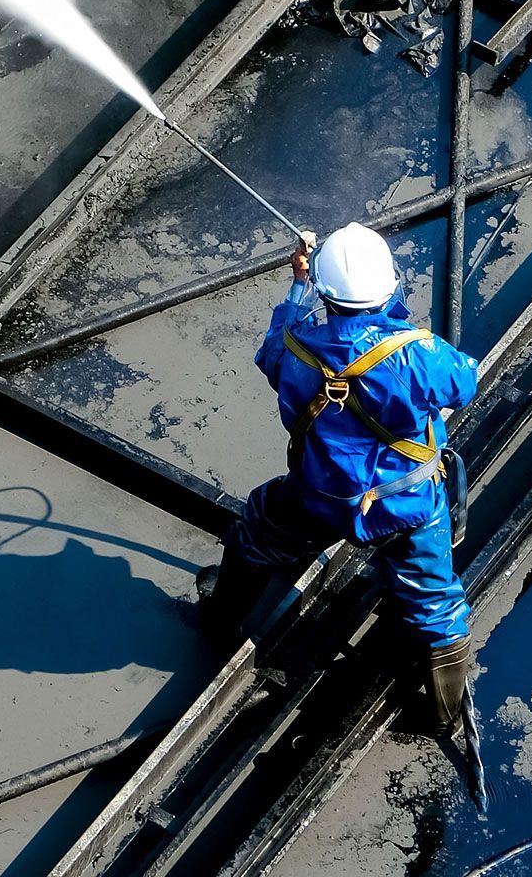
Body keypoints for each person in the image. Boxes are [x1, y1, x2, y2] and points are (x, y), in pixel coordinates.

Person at [198, 221, 480, 731]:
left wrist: (300, 285)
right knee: (435, 604)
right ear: (391, 285)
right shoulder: (418, 355)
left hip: (318, 496)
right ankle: (442, 718)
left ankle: (219, 622)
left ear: (325, 292)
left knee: (257, 531)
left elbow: (271, 353)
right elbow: (464, 381)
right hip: (406, 505)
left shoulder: (294, 346)